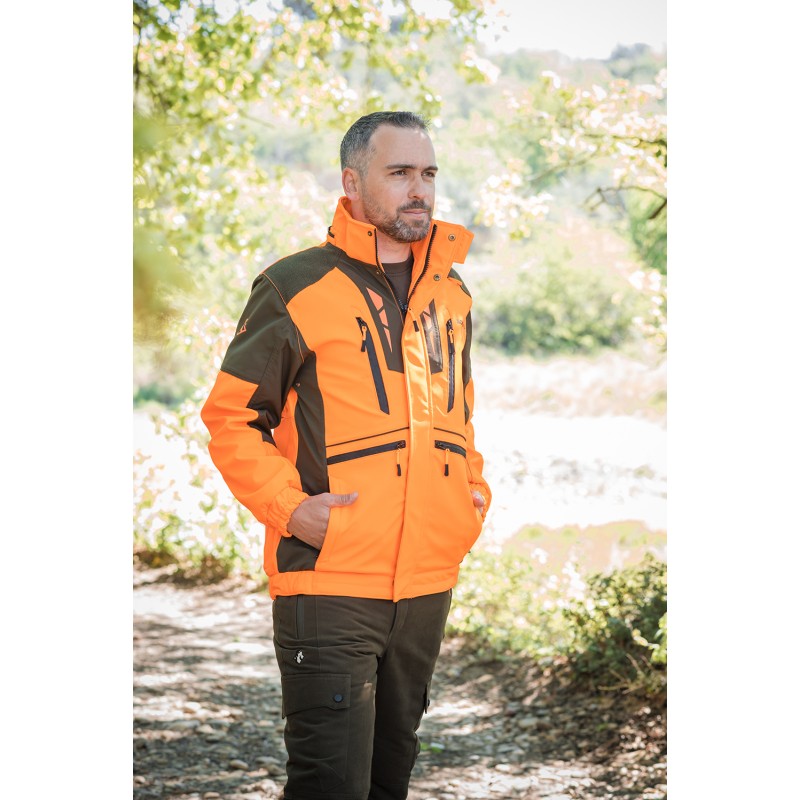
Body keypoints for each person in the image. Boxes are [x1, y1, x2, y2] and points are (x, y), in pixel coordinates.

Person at [201, 110, 491, 800]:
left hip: (426, 583)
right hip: (329, 580)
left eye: (428, 174)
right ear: (352, 183)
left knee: (391, 778)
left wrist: (469, 503)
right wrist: (292, 510)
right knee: (331, 785)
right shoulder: (294, 287)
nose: (419, 190)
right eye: (400, 173)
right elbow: (232, 417)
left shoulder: (451, 294)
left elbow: (460, 417)